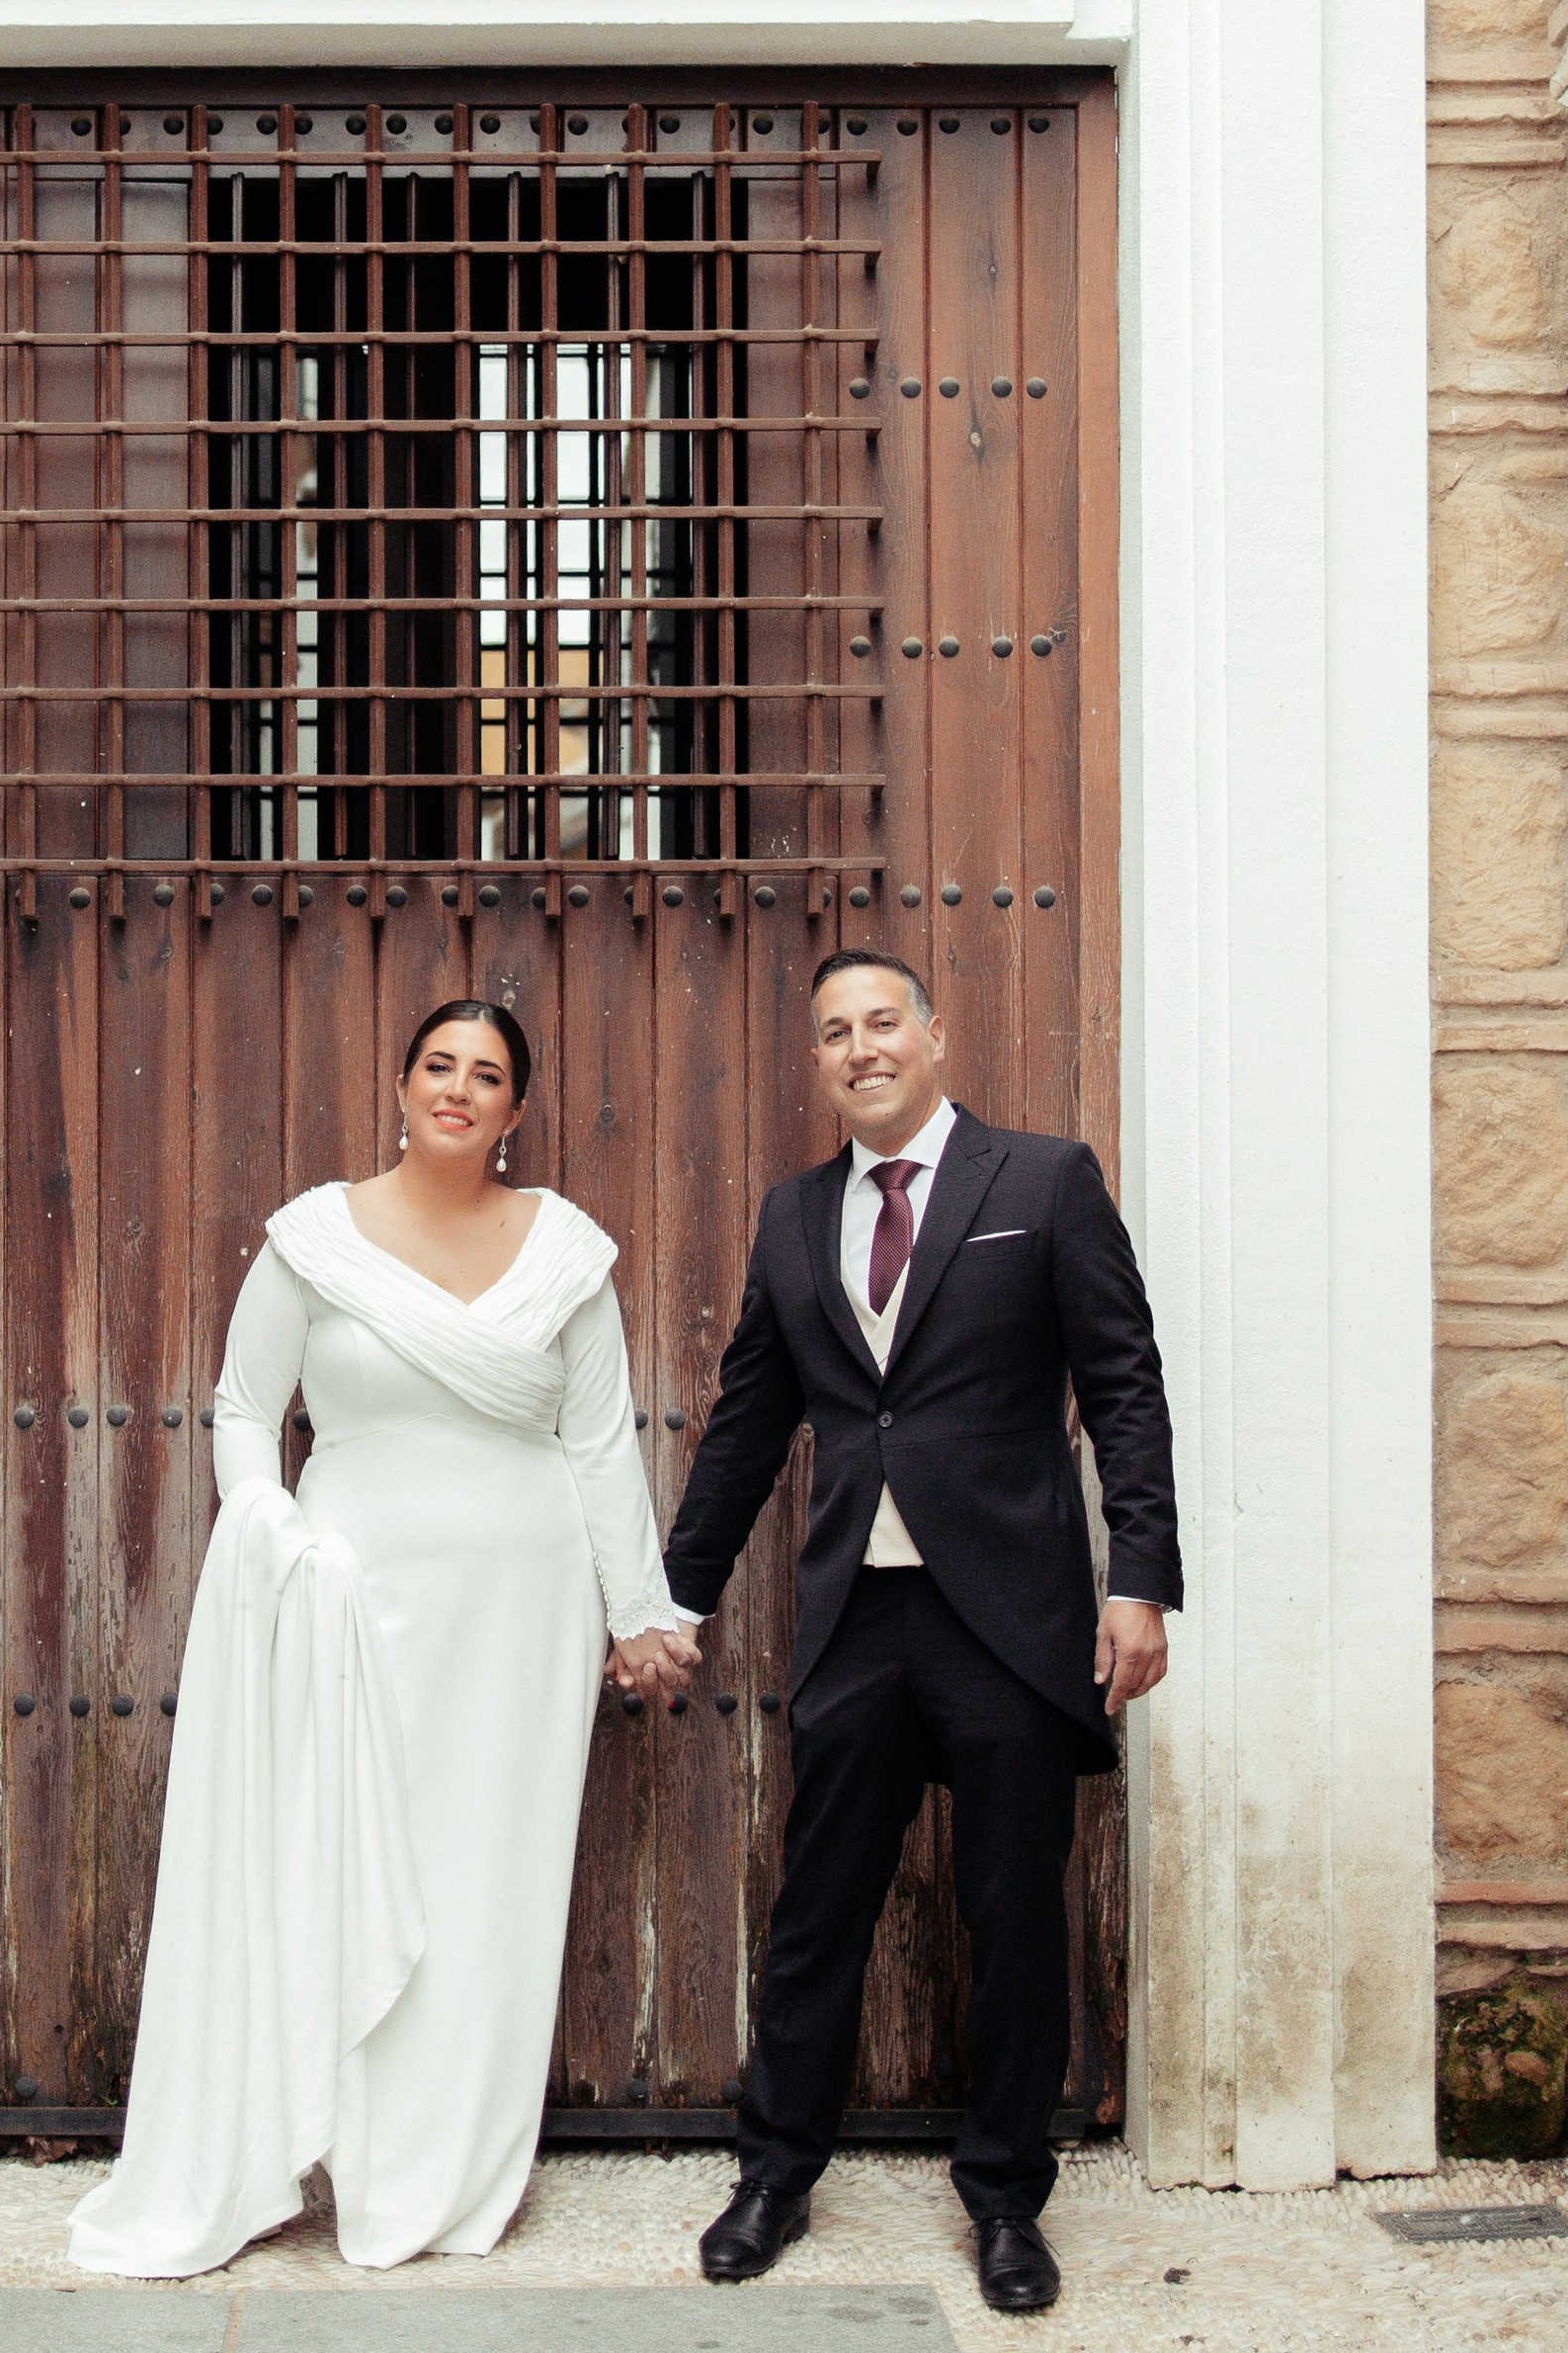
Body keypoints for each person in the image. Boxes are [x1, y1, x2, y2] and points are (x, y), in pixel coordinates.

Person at [67, 995, 684, 2277]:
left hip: (521, 1616)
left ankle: (447, 2177)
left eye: (488, 1074)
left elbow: (598, 1444)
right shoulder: (313, 1241)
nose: (458, 1088)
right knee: (346, 1870)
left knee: (485, 1887)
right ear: (401, 1086)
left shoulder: (567, 1253)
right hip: (353, 1603)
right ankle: (340, 2152)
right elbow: (244, 1410)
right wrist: (276, 1535)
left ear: (516, 1113)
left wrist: (637, 1612)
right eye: (438, 1065)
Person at [646, 947, 1181, 2318]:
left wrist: (1143, 1581)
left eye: (884, 1021)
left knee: (1012, 1916)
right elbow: (753, 1426)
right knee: (819, 1909)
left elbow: (1123, 1382)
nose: (861, 1047)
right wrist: (675, 1597)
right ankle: (774, 2174)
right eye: (834, 1032)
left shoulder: (1043, 1181)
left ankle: (1005, 2200)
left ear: (936, 1037)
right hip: (858, 1619)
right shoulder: (791, 1217)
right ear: (817, 1063)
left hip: (1009, 1614)